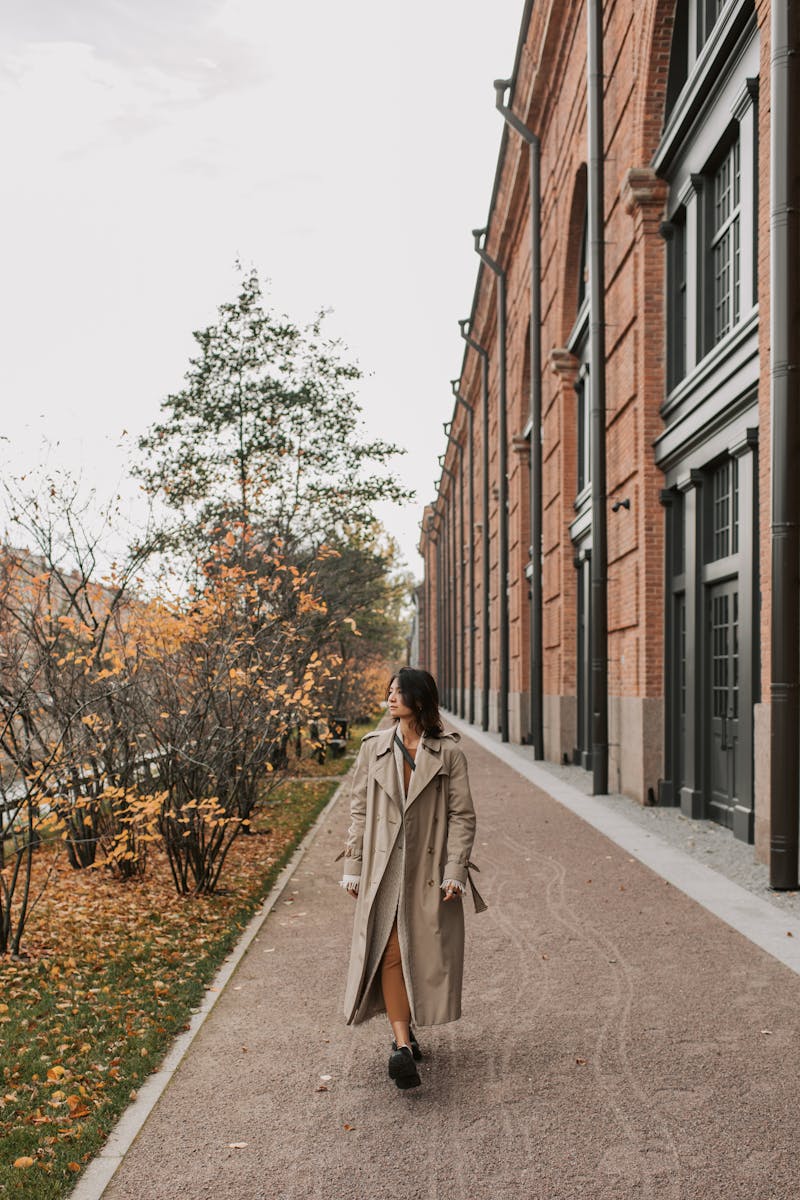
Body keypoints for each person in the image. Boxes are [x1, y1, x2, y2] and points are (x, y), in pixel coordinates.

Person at [339, 667, 485, 1090]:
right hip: (383, 868)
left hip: (427, 869)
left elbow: (462, 815)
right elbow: (358, 809)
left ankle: (406, 1034)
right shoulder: (374, 748)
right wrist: (353, 866)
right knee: (387, 948)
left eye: (399, 691)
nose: (391, 697)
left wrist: (454, 870)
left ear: (420, 699)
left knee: (414, 949)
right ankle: (402, 1046)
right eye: (389, 691)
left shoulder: (449, 753)